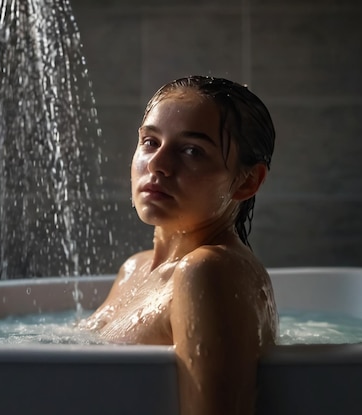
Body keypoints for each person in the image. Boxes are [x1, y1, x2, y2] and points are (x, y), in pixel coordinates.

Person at [80, 75, 278, 415]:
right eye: (150, 142)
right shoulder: (135, 268)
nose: (157, 164)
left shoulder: (208, 272)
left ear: (247, 182)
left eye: (192, 150)